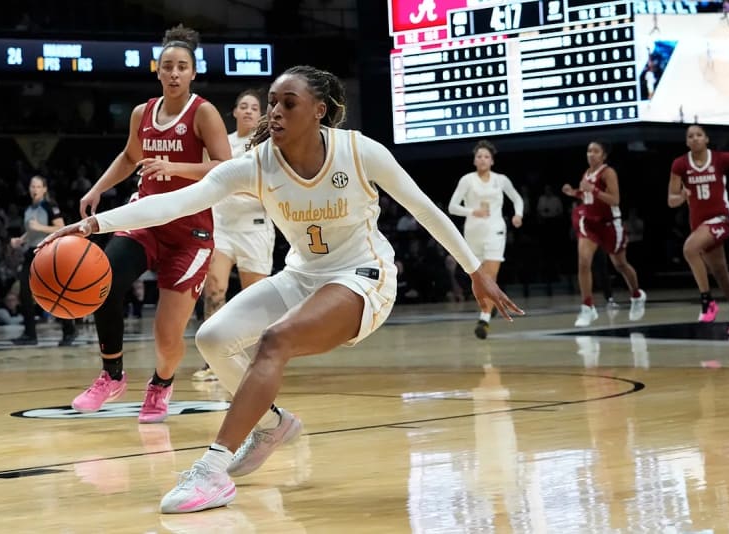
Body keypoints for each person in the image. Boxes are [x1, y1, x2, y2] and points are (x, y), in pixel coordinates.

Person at [39, 65, 523, 514]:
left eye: (288, 103)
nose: (275, 111)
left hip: (363, 278)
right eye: (271, 101)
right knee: (212, 337)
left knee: (275, 341)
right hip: (301, 276)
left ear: (319, 111)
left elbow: (424, 209)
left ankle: (211, 471)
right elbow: (175, 203)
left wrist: (475, 269)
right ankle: (272, 424)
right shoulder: (256, 162)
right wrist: (92, 225)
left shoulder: (359, 151)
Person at [70, 25, 231, 423]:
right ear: (157, 71)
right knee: (102, 281)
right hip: (147, 220)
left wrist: (174, 166)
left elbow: (228, 168)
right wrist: (97, 189)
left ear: (193, 72)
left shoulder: (203, 112)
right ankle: (112, 375)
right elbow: (129, 156)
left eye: (182, 67)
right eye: (167, 67)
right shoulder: (143, 113)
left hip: (190, 234)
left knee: (166, 335)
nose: (174, 73)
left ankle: (161, 384)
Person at [193, 89, 276, 383]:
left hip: (255, 227)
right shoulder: (223, 145)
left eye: (255, 107)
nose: (250, 111)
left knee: (255, 298)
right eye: (244, 106)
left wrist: (237, 187)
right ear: (236, 113)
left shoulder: (269, 148)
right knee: (213, 289)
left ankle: (259, 361)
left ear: (261, 115)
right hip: (222, 226)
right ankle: (212, 362)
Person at [668, 124, 729, 335]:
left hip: (721, 218)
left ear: (706, 139)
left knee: (689, 249)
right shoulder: (680, 164)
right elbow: (671, 200)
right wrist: (682, 197)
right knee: (720, 272)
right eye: (690, 136)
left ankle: (707, 301)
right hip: (700, 225)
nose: (695, 139)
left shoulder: (721, 158)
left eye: (699, 135)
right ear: (686, 142)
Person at [561, 141, 646, 327]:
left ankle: (637, 295)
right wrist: (574, 193)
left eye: (595, 151)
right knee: (583, 262)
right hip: (590, 222)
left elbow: (614, 200)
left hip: (609, 224)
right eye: (589, 150)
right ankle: (587, 306)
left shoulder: (608, 173)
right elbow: (587, 197)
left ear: (604, 155)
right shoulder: (586, 173)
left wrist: (594, 190)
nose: (591, 154)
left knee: (621, 264)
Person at [448, 140, 524, 339]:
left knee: (490, 275)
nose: (482, 159)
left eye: (486, 156)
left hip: (495, 231)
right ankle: (490, 305)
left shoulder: (501, 180)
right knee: (478, 278)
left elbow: (517, 198)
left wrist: (518, 214)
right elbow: (452, 207)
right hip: (472, 234)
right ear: (474, 160)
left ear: (492, 161)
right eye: (479, 156)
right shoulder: (467, 180)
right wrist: (473, 210)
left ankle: (484, 318)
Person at [9, 175, 76, 345]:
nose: (34, 189)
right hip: (31, 252)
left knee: (56, 292)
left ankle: (69, 330)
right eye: (32, 186)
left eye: (38, 186)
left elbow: (61, 227)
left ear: (44, 189)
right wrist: (21, 239)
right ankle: (30, 334)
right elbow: (31, 231)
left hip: (47, 251)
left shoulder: (50, 205)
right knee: (24, 292)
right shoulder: (29, 209)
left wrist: (39, 227)